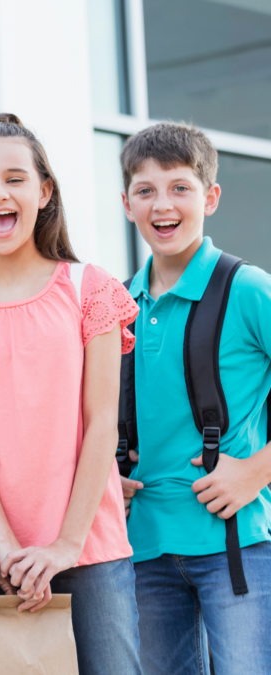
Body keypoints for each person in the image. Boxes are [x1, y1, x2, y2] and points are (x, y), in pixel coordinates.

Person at [0, 113, 141, 675]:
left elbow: (101, 424)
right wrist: (4, 548)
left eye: (15, 178)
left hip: (90, 549)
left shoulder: (90, 288)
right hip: (0, 559)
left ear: (44, 192)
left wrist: (66, 545)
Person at [117, 122, 271, 674]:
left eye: (180, 187)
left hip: (238, 547)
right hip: (143, 552)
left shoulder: (249, 288)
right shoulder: (116, 304)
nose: (163, 204)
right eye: (146, 190)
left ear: (210, 197)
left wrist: (256, 471)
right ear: (127, 203)